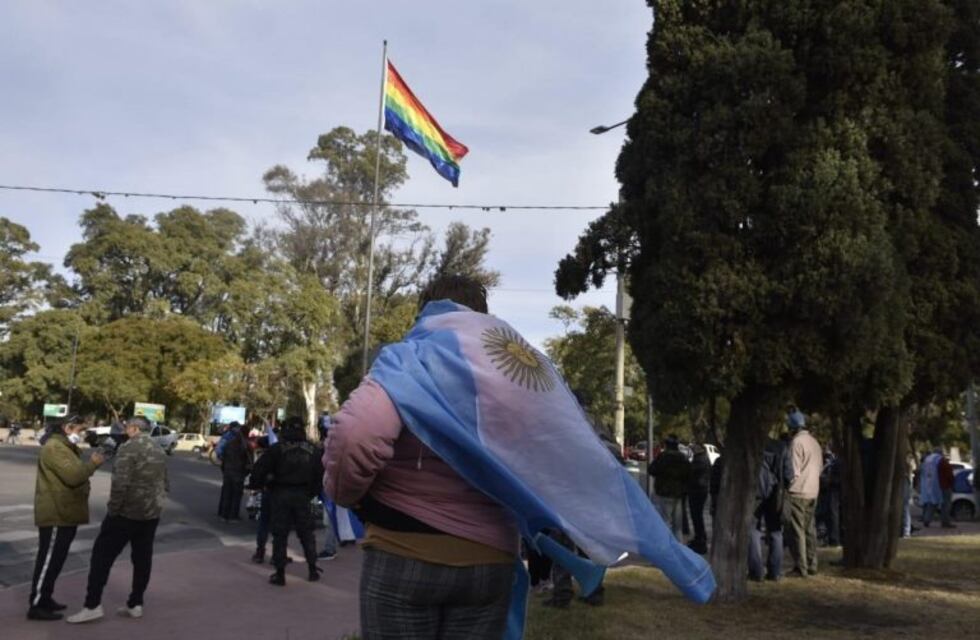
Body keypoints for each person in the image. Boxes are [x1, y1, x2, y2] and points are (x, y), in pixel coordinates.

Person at [324, 276, 519, 639]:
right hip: (491, 558)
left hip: (406, 550)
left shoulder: (407, 360)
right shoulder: (513, 377)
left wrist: (346, 495)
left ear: (425, 311)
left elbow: (354, 434)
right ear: (482, 317)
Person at [67, 417, 168, 624]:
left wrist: (113, 510)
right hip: (151, 514)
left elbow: (120, 483)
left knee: (101, 557)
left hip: (126, 513)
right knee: (142, 559)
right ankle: (136, 603)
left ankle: (92, 604)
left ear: (133, 428)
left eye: (127, 427)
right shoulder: (158, 449)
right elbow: (165, 481)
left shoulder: (128, 448)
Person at [27, 416, 105, 621]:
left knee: (56, 560)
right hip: (56, 512)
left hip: (65, 512)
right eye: (78, 430)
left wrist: (77, 447)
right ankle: (36, 604)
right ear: (66, 427)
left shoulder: (64, 446)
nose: (80, 434)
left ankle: (45, 598)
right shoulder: (54, 447)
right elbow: (74, 476)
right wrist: (93, 464)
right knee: (48, 560)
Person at [250, 416, 322, 585]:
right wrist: (310, 493)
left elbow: (259, 470)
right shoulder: (313, 450)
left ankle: (280, 573)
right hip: (302, 495)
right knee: (306, 533)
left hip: (281, 494)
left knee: (280, 535)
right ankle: (312, 570)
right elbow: (320, 476)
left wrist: (260, 485)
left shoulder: (277, 449)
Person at [783, 409, 822, 578]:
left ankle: (801, 567)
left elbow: (793, 471)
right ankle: (812, 563)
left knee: (797, 531)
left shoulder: (796, 443)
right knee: (809, 529)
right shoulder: (815, 442)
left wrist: (785, 486)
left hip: (798, 492)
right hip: (813, 490)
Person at [748, 438, 787, 582]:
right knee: (776, 531)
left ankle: (756, 571)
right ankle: (775, 572)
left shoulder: (751, 444)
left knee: (753, 531)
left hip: (754, 492)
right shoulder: (781, 447)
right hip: (775, 492)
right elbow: (788, 473)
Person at [647, 434, 692, 541]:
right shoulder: (682, 458)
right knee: (677, 526)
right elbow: (689, 474)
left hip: (664, 493)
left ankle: (666, 548)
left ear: (667, 445)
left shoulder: (663, 456)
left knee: (665, 522)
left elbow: (651, 470)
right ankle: (679, 547)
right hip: (678, 494)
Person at [217, 421, 252, 522]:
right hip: (238, 473)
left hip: (228, 471)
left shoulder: (230, 443)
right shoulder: (246, 446)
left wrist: (225, 470)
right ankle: (233, 516)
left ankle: (223, 515)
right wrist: (246, 473)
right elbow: (250, 462)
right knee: (236, 495)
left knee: (227, 493)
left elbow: (223, 459)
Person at [687, 444, 711, 555]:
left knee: (697, 516)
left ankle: (700, 540)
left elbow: (691, 472)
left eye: (695, 448)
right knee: (696, 516)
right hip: (700, 489)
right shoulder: (701, 459)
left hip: (698, 490)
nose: (693, 449)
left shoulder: (700, 460)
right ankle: (699, 537)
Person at [919, 447, 947, 527]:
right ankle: (943, 521)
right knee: (941, 503)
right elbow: (944, 472)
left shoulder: (927, 460)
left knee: (929, 503)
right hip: (938, 484)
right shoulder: (939, 460)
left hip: (927, 485)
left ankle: (926, 519)